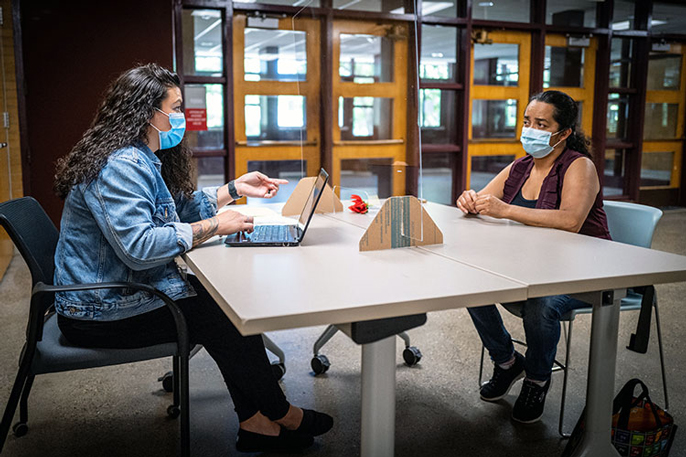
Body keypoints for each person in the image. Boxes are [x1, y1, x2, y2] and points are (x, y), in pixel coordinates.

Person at [53, 63, 333, 452]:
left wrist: (235, 188)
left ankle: (257, 423)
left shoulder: (140, 158)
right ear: (147, 111)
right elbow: (140, 247)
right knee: (219, 314)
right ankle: (279, 411)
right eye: (176, 107)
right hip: (98, 313)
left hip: (114, 298)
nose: (182, 116)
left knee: (219, 306)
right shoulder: (120, 165)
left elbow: (176, 210)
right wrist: (217, 226)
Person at [456, 90, 611, 424]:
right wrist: (470, 200)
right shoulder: (521, 166)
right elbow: (485, 200)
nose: (531, 130)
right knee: (468, 281)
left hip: (583, 269)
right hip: (533, 264)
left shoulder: (579, 166)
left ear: (564, 132)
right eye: (528, 122)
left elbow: (570, 221)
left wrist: (505, 209)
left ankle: (537, 379)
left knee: (542, 305)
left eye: (542, 124)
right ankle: (508, 362)